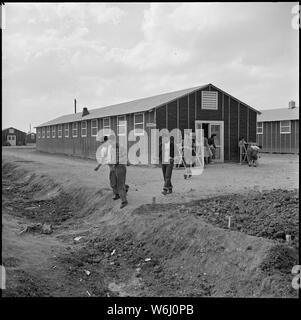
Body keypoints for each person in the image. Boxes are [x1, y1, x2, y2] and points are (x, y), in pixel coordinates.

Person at [94, 135, 129, 208]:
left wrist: (126, 161)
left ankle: (124, 201)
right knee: (113, 183)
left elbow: (124, 155)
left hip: (120, 167)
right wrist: (98, 166)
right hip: (113, 169)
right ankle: (119, 193)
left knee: (120, 185)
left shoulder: (117, 146)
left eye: (102, 142)